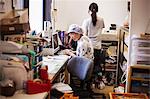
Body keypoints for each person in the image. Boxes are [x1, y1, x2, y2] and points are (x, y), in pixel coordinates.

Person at [82, 2, 105, 75]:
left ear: (89, 11)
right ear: (97, 10)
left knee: (88, 67)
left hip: (89, 47)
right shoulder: (101, 20)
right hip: (98, 46)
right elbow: (101, 28)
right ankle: (95, 83)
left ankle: (88, 83)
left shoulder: (86, 21)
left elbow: (84, 35)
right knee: (96, 66)